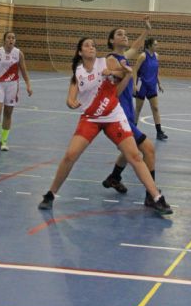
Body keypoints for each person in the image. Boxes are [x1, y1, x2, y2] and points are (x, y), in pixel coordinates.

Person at [37, 37, 172, 215]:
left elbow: (121, 76)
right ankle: (50, 194)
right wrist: (71, 103)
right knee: (70, 155)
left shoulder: (106, 62)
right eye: (87, 45)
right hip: (91, 118)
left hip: (113, 115)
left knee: (134, 156)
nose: (91, 47)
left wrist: (118, 72)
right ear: (80, 52)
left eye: (93, 45)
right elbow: (70, 98)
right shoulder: (78, 73)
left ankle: (157, 198)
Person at [102, 19, 160, 207]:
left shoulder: (122, 57)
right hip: (119, 116)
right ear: (111, 41)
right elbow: (112, 81)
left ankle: (114, 177)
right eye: (119, 34)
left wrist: (146, 31)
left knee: (130, 150)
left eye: (125, 34)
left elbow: (135, 47)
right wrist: (127, 74)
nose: (124, 36)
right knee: (148, 149)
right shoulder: (111, 60)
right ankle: (151, 194)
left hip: (126, 113)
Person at [0, 31, 32, 151]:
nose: (11, 40)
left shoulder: (18, 53)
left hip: (12, 85)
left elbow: (24, 70)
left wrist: (28, 85)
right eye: (9, 38)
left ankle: (4, 141)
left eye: (13, 38)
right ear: (4, 40)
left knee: (8, 113)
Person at [134, 37, 168, 141]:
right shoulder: (143, 56)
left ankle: (159, 132)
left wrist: (159, 83)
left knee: (155, 108)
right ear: (149, 46)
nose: (157, 46)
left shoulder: (156, 56)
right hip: (142, 85)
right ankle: (133, 131)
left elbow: (156, 71)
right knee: (138, 109)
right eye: (155, 44)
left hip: (152, 86)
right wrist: (134, 85)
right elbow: (134, 70)